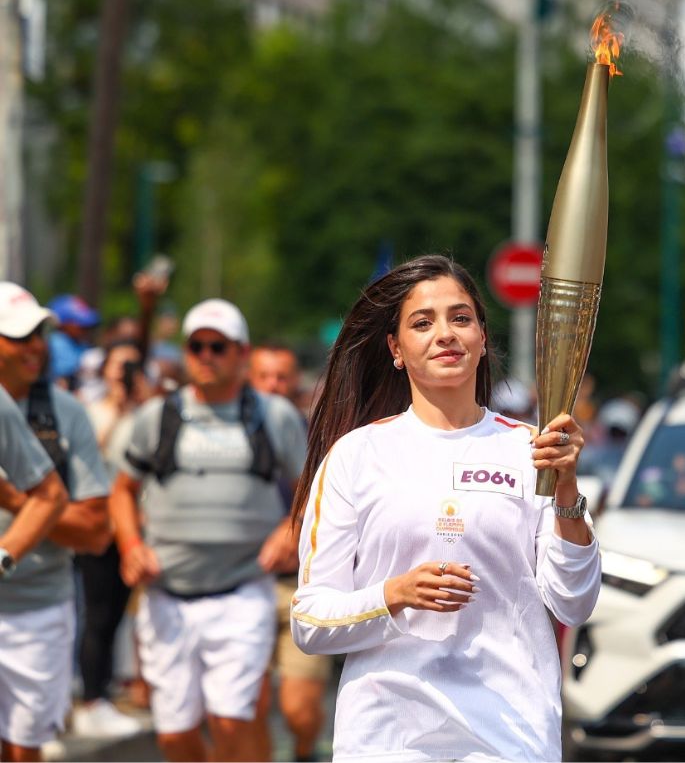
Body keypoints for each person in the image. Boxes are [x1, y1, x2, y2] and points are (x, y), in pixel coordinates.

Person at [290, 255, 601, 762]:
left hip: (509, 736)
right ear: (396, 349)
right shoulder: (356, 456)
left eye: (460, 318)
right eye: (422, 323)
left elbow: (574, 602)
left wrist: (566, 490)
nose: (445, 335)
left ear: (482, 337)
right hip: (388, 738)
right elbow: (310, 620)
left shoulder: (532, 451)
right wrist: (396, 593)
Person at [110, 298, 307, 762]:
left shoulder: (273, 416)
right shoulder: (157, 416)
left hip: (243, 589)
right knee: (174, 735)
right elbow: (121, 490)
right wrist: (131, 545)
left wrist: (292, 528)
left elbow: (312, 490)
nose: (206, 356)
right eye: (196, 346)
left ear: (242, 353)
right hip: (167, 593)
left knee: (232, 719)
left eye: (218, 346)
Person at [0, 282, 110, 763]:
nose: (34, 347)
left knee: (23, 751)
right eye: (19, 337)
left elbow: (96, 532)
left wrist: (14, 498)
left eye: (38, 335)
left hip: (38, 608)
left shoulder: (65, 413)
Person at [248, 344, 326, 763]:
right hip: (245, 586)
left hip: (300, 588)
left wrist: (293, 528)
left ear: (296, 381)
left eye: (282, 377)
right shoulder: (232, 436)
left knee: (299, 709)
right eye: (264, 376)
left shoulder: (320, 436)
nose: (274, 386)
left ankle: (304, 751)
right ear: (250, 379)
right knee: (248, 707)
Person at [73, 340, 152, 738]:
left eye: (131, 366)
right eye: (118, 366)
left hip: (137, 528)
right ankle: (91, 698)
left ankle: (111, 690)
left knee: (123, 616)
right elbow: (89, 458)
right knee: (98, 615)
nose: (124, 375)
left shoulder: (147, 412)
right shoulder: (92, 412)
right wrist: (118, 410)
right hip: (101, 529)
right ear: (103, 371)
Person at [46, 294, 101, 389]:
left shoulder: (82, 344)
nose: (85, 329)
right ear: (64, 323)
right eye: (80, 325)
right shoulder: (57, 343)